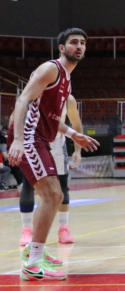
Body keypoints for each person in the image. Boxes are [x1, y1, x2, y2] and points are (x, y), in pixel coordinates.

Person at [7, 28, 99, 281]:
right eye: (73, 42)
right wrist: (18, 139)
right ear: (61, 48)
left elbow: (51, 118)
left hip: (41, 139)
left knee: (53, 195)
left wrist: (73, 134)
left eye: (82, 43)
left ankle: (34, 251)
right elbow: (23, 100)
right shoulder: (51, 69)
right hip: (29, 137)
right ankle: (33, 262)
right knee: (53, 194)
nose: (79, 46)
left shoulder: (66, 79)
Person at [18, 95, 87, 246]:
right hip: (33, 141)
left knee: (62, 186)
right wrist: (17, 141)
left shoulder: (68, 99)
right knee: (28, 184)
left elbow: (76, 124)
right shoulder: (33, 93)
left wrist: (77, 151)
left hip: (57, 143)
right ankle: (27, 229)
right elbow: (15, 118)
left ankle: (63, 228)